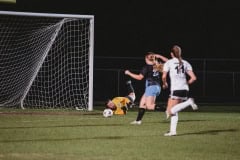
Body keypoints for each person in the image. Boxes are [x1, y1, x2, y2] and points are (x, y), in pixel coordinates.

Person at [162, 45, 198, 136]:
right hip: (185, 89)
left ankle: (189, 102)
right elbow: (193, 78)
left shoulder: (169, 62)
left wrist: (165, 83)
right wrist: (186, 83)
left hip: (176, 89)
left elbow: (163, 76)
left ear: (171, 54)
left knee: (170, 111)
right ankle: (173, 131)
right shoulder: (186, 63)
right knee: (174, 110)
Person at [125, 52, 168, 124]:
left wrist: (129, 73)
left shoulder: (146, 67)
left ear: (146, 59)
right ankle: (138, 121)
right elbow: (169, 62)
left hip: (151, 87)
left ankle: (168, 110)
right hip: (156, 87)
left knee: (149, 106)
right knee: (142, 103)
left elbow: (139, 77)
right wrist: (160, 56)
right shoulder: (157, 65)